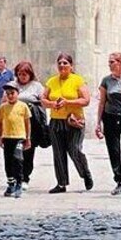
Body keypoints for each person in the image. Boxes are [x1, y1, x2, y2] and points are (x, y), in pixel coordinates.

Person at [41, 52, 93, 193]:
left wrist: (68, 102)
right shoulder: (52, 81)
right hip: (56, 121)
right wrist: (52, 104)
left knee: (74, 149)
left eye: (65, 63)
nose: (62, 65)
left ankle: (85, 173)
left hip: (74, 121)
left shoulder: (77, 80)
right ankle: (61, 183)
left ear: (71, 65)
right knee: (58, 153)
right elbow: (43, 99)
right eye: (60, 63)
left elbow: (86, 100)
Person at [95, 52, 121, 195]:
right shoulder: (106, 80)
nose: (109, 64)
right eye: (109, 62)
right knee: (113, 150)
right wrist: (98, 123)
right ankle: (119, 181)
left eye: (112, 62)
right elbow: (102, 102)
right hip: (110, 117)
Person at [12, 61, 46, 190]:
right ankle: (16, 176)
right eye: (20, 74)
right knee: (15, 151)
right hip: (15, 122)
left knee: (28, 151)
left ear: (30, 74)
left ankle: (25, 177)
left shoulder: (37, 86)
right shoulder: (13, 85)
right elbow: (5, 101)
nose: (22, 76)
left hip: (31, 124)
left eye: (25, 74)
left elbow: (43, 101)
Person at [0, 81, 31, 198]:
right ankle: (11, 183)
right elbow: (0, 123)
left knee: (18, 158)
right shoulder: (3, 107)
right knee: (8, 161)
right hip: (7, 137)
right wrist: (0, 137)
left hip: (19, 137)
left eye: (12, 93)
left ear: (17, 93)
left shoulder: (23, 106)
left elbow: (27, 123)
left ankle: (19, 182)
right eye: (8, 93)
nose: (10, 96)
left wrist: (28, 138)